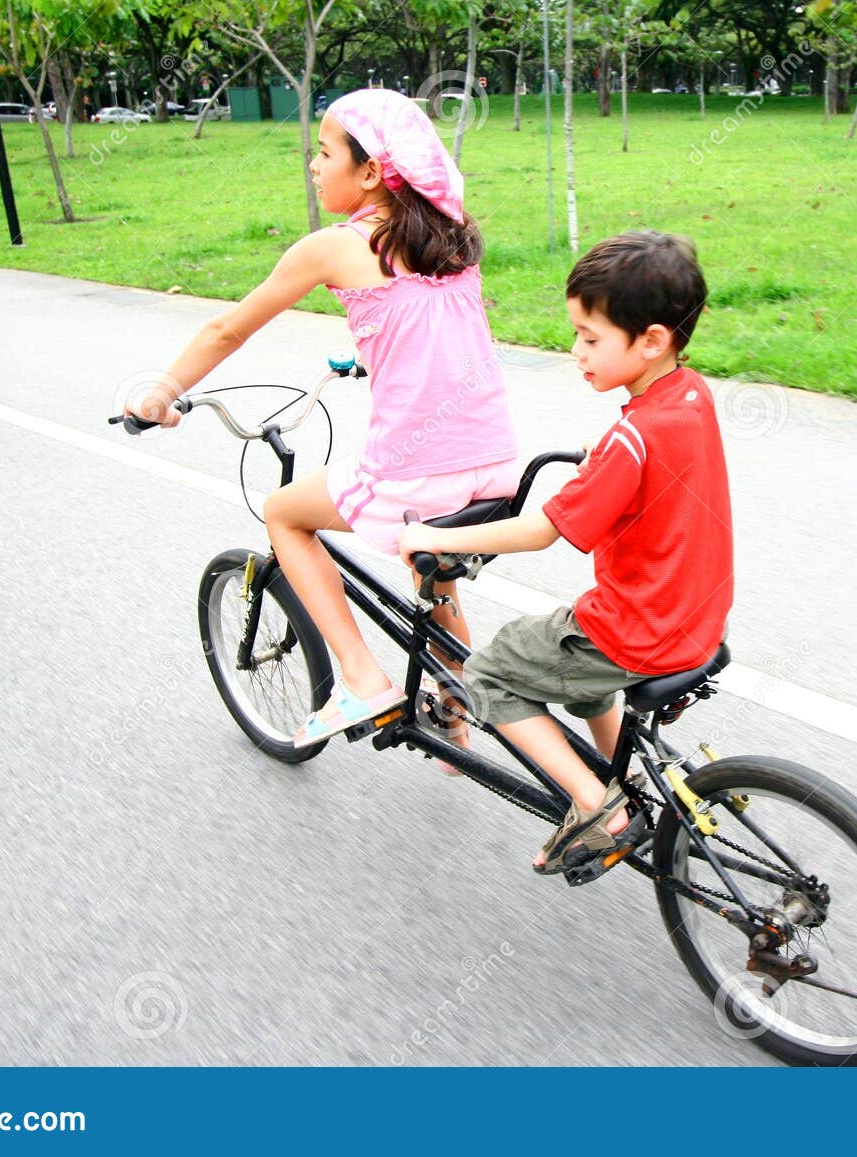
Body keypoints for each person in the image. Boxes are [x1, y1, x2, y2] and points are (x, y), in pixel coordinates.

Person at [124, 88, 518, 749]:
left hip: (418, 476)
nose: (312, 163)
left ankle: (363, 680)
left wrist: (159, 394)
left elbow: (227, 329)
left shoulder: (336, 245)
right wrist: (373, 356)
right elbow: (428, 334)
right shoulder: (453, 238)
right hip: (497, 468)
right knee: (434, 570)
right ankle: (454, 715)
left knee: (284, 510)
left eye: (324, 150)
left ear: (370, 172)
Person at [397, 231, 732, 874]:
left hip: (636, 630)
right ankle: (623, 780)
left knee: (490, 671)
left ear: (652, 340)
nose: (575, 350)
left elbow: (540, 530)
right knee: (574, 667)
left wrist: (435, 537)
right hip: (696, 616)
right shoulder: (690, 395)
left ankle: (597, 807)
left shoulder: (629, 439)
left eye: (591, 337)